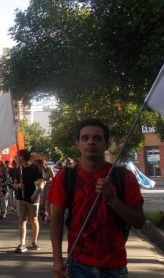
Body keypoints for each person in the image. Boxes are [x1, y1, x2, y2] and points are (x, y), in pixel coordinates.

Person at [48, 119, 145, 278]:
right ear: (77, 144)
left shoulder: (124, 177)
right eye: (85, 138)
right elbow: (56, 219)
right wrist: (57, 260)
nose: (91, 142)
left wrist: (113, 200)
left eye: (97, 138)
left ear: (106, 144)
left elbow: (139, 222)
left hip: (114, 267)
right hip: (77, 265)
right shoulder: (66, 176)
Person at [13, 149, 44, 253]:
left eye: (18, 156)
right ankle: (22, 243)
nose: (16, 158)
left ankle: (34, 242)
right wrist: (18, 185)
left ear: (22, 157)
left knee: (34, 219)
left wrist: (36, 193)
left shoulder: (35, 167)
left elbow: (41, 183)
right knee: (22, 220)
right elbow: (15, 183)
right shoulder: (18, 169)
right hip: (20, 198)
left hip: (32, 198)